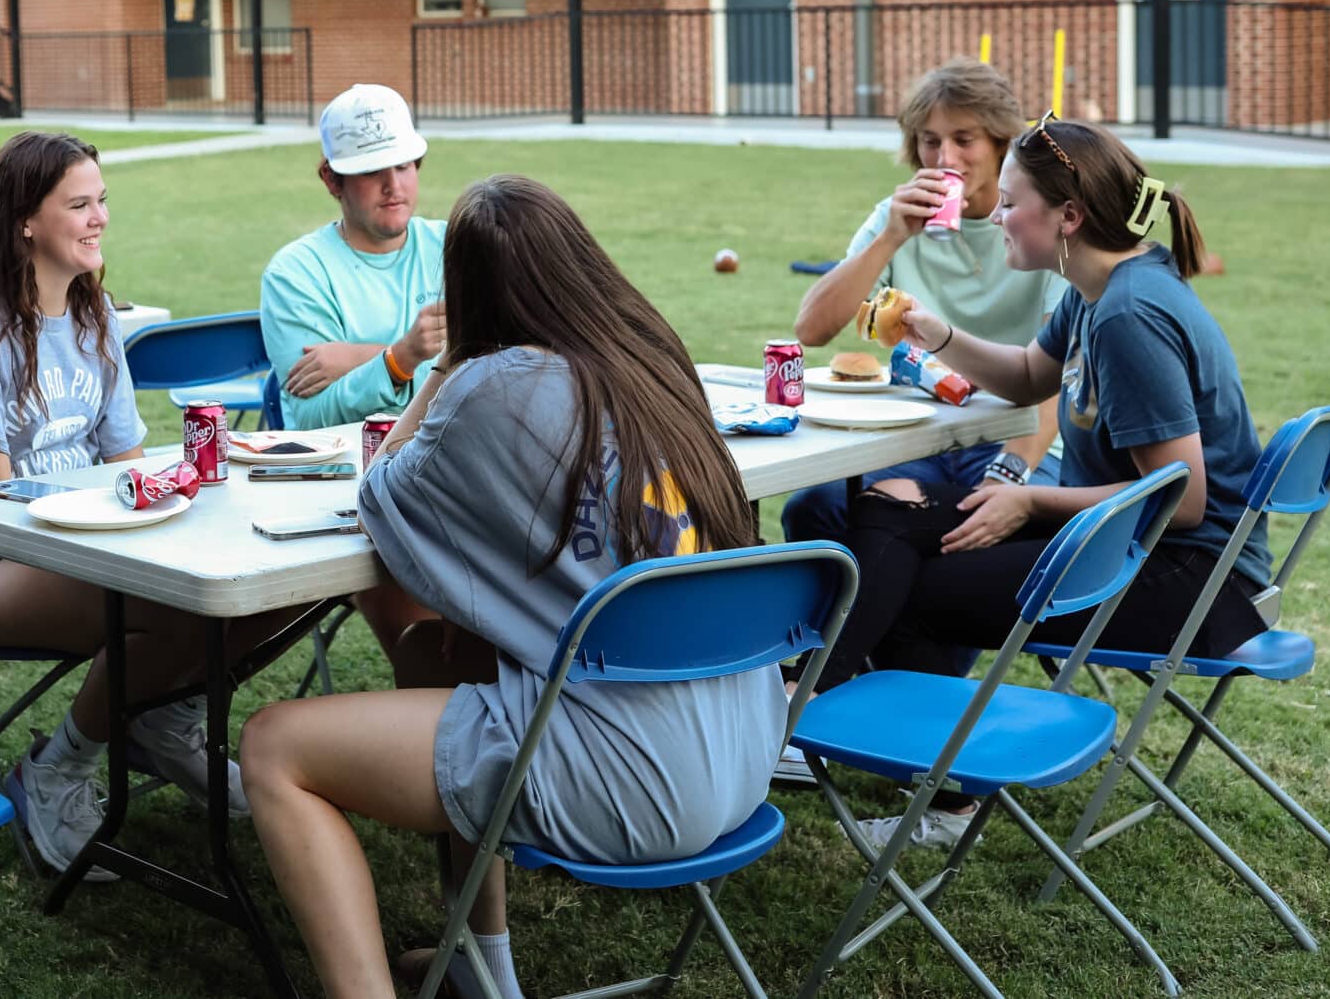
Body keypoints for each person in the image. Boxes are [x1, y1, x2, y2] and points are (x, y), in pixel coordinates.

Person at [240, 175, 780, 999]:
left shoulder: (490, 386)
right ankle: (483, 962)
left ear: (467, 292)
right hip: (743, 751)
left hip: (632, 778)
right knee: (436, 649)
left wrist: (444, 365)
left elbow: (381, 494)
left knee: (274, 747)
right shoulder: (658, 363)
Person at [812, 116, 1270, 852]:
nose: (995, 214)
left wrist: (1029, 497)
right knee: (886, 512)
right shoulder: (1100, 287)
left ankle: (930, 789)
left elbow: (1179, 502)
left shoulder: (1130, 314)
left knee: (916, 595)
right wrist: (938, 334)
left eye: (1012, 200)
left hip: (1191, 579)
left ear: (1069, 216)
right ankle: (808, 693)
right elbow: (1029, 374)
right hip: (1118, 540)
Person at [0, 130, 299, 880]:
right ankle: (55, 771)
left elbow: (124, 464)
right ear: (25, 219)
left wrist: (168, 499)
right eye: (78, 203)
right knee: (178, 602)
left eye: (102, 199)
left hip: (93, 541)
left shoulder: (96, 321)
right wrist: (122, 526)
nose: (99, 217)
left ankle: (165, 714)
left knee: (274, 579)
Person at [788, 58, 1066, 548]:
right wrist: (890, 239)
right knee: (816, 508)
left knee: (997, 526)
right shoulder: (897, 216)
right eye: (930, 140)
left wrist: (1006, 474)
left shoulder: (1039, 222)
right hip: (918, 434)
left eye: (964, 139)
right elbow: (811, 330)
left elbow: (1056, 381)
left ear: (1002, 142)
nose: (945, 158)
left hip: (1020, 439)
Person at [259, 82, 446, 658]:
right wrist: (400, 355)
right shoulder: (296, 273)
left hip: (460, 471)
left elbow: (506, 361)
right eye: (372, 171)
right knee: (433, 652)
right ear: (331, 180)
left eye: (405, 165)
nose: (395, 185)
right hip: (359, 495)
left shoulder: (454, 245)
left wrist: (363, 357)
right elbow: (309, 423)